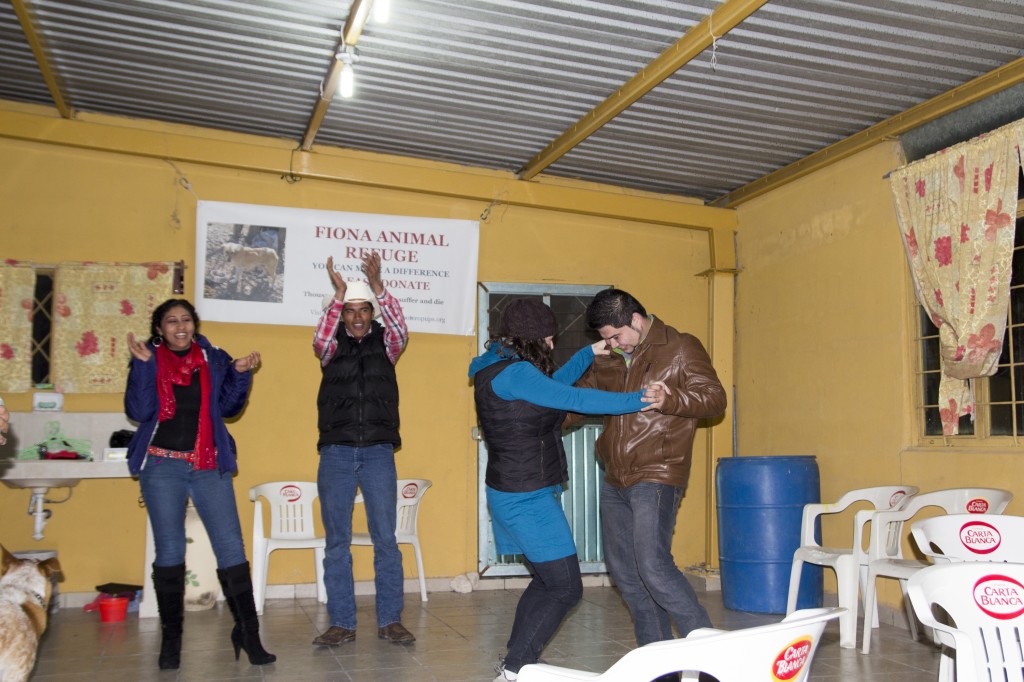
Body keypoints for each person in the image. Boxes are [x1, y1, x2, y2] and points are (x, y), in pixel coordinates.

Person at [469, 298, 671, 682]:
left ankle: (517, 661)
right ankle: (514, 669)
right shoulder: (515, 374)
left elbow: (554, 386)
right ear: (530, 339)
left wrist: (587, 353)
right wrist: (639, 400)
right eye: (547, 339)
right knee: (565, 588)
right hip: (524, 496)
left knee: (548, 581)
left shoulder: (499, 368)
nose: (549, 345)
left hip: (519, 489)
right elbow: (573, 398)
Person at [576, 288, 727, 680]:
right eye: (605, 338)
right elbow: (580, 400)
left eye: (614, 335)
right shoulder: (609, 359)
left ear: (636, 320)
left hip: (658, 472)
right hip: (616, 477)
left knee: (654, 566)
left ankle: (715, 660)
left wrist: (671, 396)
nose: (608, 344)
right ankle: (662, 668)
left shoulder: (679, 347)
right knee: (626, 574)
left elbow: (714, 399)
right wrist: (533, 416)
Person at [124, 298, 274, 670]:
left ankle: (248, 634)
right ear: (159, 329)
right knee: (170, 550)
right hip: (161, 465)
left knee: (230, 547)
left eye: (186, 320)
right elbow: (139, 411)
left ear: (195, 324)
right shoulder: (149, 358)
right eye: (171, 321)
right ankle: (171, 641)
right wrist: (143, 367)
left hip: (207, 463)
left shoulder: (213, 358)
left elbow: (227, 409)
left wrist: (239, 373)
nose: (180, 326)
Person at [311, 251, 416, 646]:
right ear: (340, 314)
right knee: (336, 542)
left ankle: (390, 620)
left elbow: (402, 328)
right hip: (336, 453)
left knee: (385, 540)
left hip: (377, 453)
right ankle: (342, 622)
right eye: (349, 310)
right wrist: (338, 293)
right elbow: (319, 337)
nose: (356, 317)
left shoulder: (387, 347)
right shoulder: (329, 349)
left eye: (363, 310)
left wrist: (378, 287)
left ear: (372, 314)